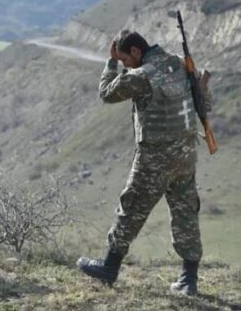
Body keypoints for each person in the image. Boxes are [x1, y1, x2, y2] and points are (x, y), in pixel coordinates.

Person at [77, 30, 203, 296]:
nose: (125, 65)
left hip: (155, 157)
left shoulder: (142, 75)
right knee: (185, 212)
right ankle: (188, 279)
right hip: (186, 152)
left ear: (135, 52)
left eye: (125, 60)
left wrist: (111, 63)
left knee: (131, 208)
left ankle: (109, 268)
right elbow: (200, 95)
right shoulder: (178, 62)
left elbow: (107, 93)